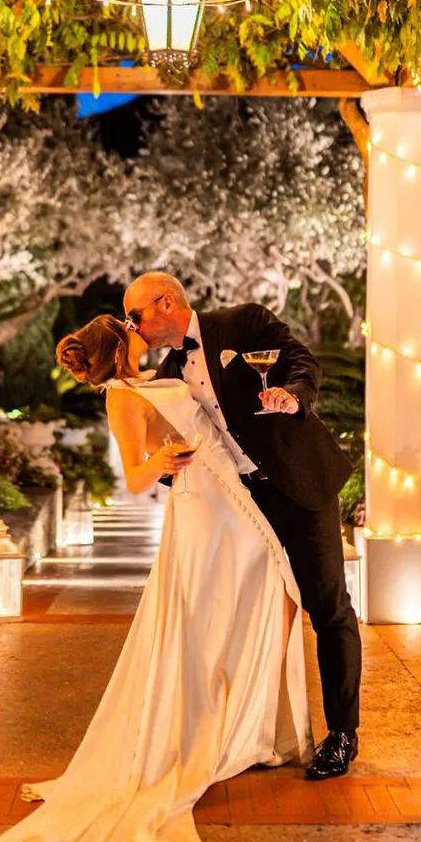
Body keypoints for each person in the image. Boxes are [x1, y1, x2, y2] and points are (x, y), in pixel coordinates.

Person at [0, 314, 312, 842]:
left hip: (228, 501)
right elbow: (137, 478)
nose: (142, 328)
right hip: (199, 510)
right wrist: (164, 459)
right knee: (208, 619)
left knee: (265, 594)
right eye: (131, 326)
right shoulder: (122, 396)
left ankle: (244, 727)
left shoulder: (158, 376)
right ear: (122, 344)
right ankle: (212, 731)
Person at [123, 272, 361, 782]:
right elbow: (178, 451)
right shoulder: (167, 374)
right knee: (248, 618)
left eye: (136, 315)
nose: (132, 325)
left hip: (301, 486)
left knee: (327, 607)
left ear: (166, 303)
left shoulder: (243, 322)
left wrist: (292, 397)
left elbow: (303, 362)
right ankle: (252, 733)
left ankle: (342, 735)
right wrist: (168, 466)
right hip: (245, 508)